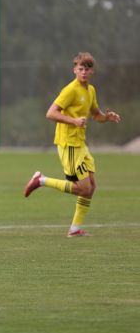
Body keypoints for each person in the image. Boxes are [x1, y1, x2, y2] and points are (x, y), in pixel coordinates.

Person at [23, 52, 121, 237]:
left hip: (80, 143)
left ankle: (75, 229)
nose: (84, 72)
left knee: (91, 187)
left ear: (92, 71)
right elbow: (51, 113)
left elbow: (96, 115)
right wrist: (73, 121)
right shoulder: (70, 90)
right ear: (74, 70)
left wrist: (107, 117)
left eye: (87, 69)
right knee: (82, 188)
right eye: (80, 69)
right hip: (68, 144)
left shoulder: (90, 90)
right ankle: (41, 180)